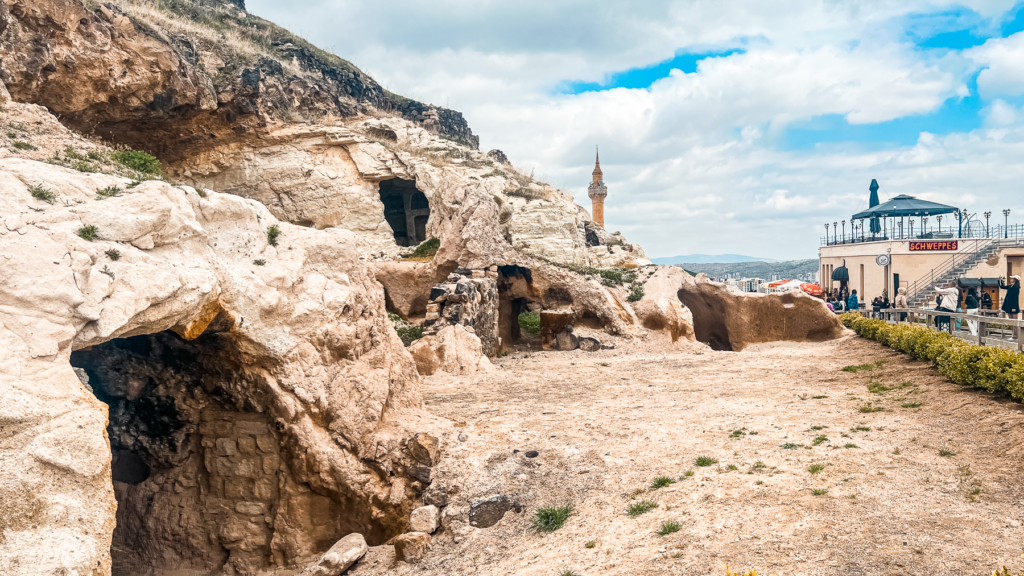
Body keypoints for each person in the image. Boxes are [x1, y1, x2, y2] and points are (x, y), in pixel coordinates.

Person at [999, 275, 1021, 340]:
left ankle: (1015, 336)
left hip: (1013, 307)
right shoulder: (1010, 286)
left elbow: (1015, 298)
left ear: (1015, 280)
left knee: (1014, 322)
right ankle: (1013, 335)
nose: (1010, 279)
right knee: (1011, 321)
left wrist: (1014, 307)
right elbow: (1002, 286)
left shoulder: (1016, 287)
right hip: (1009, 306)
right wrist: (1001, 280)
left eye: (1012, 278)